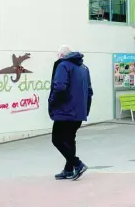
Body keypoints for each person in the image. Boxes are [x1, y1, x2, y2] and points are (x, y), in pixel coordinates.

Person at [48, 45, 93, 181]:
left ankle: (77, 164)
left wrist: (52, 101)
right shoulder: (84, 68)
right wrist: (85, 109)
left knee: (57, 139)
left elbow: (60, 87)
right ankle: (68, 169)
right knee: (69, 139)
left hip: (65, 111)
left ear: (62, 56)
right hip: (78, 111)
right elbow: (89, 91)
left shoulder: (63, 66)